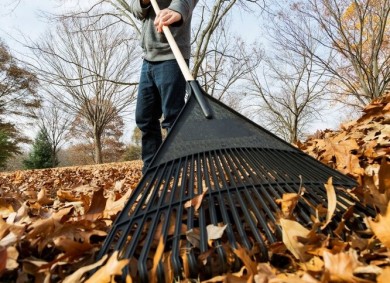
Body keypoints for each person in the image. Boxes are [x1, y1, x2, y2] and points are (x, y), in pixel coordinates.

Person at [129, 0, 198, 174]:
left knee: (172, 117)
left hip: (172, 54)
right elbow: (137, 11)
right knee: (145, 117)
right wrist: (142, 2)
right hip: (148, 57)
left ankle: (178, 172)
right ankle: (152, 171)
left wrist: (177, 10)